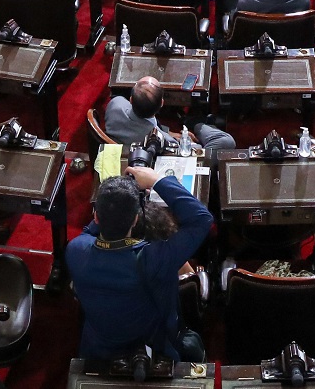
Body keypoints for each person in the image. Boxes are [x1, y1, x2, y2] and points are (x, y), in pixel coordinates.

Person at [69, 164, 213, 361]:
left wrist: (112, 205)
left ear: (95, 215)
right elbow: (201, 219)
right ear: (136, 219)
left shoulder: (76, 250)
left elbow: (88, 232)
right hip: (153, 350)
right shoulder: (154, 259)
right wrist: (157, 180)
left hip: (98, 350)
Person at [107, 76, 235, 153]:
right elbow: (197, 151)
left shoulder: (115, 104)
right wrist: (190, 141)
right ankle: (198, 124)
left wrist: (167, 132)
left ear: (130, 100)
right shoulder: (166, 142)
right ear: (162, 103)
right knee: (226, 141)